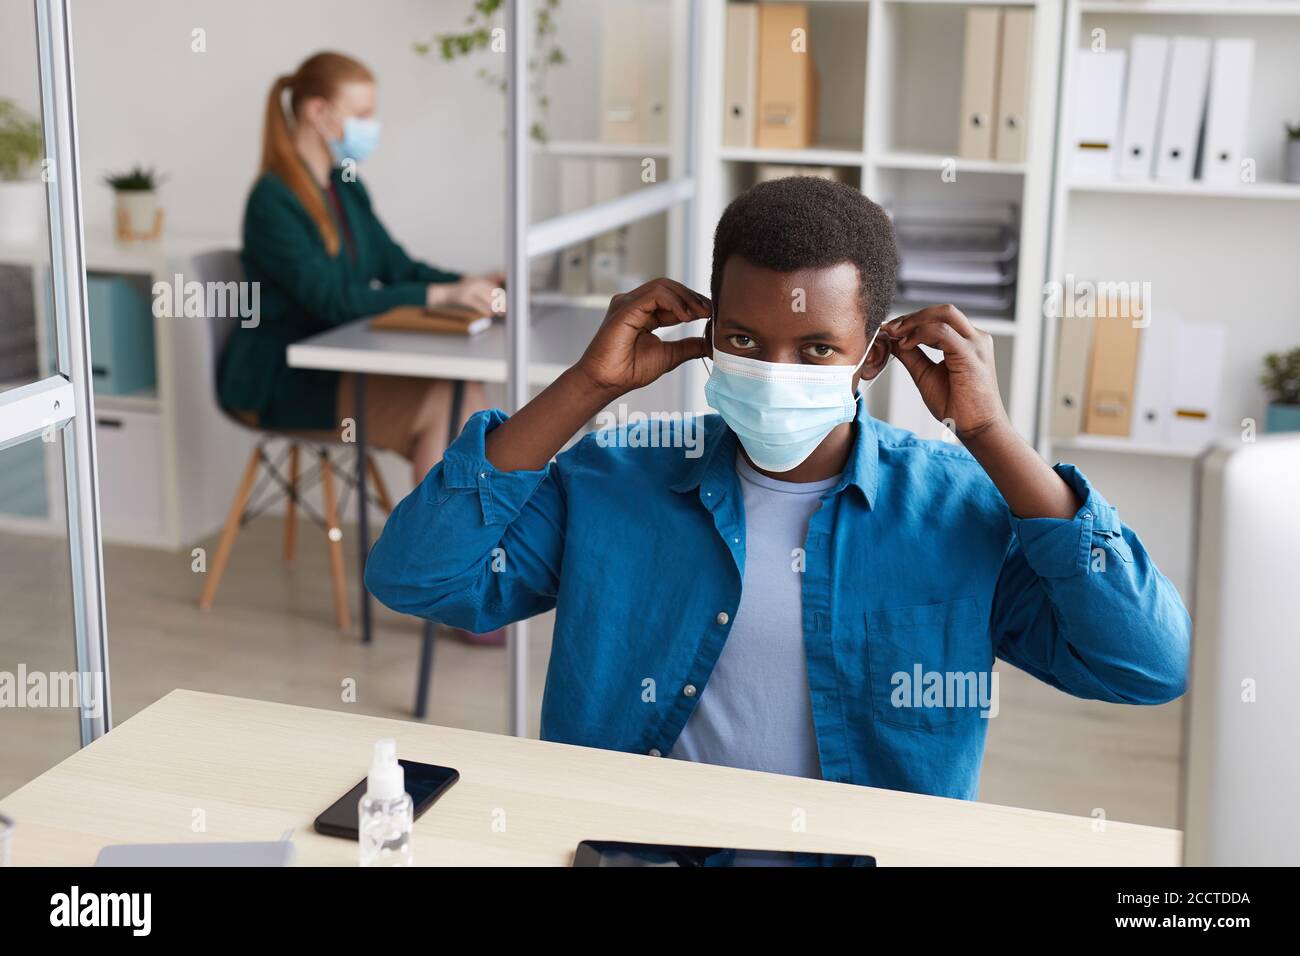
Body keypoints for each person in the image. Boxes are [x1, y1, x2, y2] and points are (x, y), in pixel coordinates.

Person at [365, 176, 1190, 799]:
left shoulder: (958, 511)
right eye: (745, 338)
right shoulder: (616, 480)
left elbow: (1148, 666)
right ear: (709, 334)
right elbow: (416, 576)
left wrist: (991, 438)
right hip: (640, 844)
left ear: (873, 354)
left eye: (816, 348)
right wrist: (588, 385)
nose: (773, 369)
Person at [218, 51, 496, 486]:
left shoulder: (345, 186)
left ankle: (448, 547)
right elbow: (333, 300)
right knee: (450, 403)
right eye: (363, 114)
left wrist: (467, 284)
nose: (372, 126)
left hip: (336, 360)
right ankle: (434, 550)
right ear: (318, 112)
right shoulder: (273, 199)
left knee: (468, 399)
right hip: (281, 377)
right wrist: (445, 296)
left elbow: (396, 266)